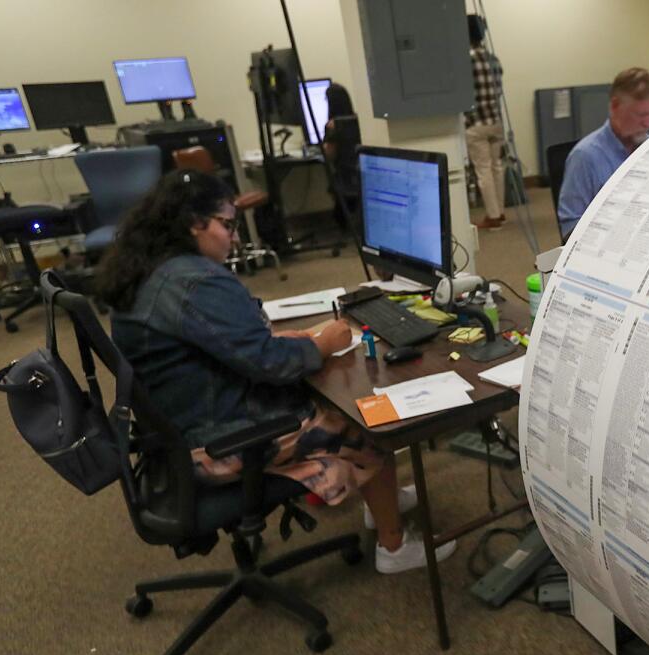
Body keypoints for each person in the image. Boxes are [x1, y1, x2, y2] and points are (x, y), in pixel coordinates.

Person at [95, 169, 456, 573]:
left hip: (175, 433)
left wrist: (290, 340)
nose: (234, 238)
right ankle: (394, 547)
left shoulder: (152, 267)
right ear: (192, 223)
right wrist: (322, 343)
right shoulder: (194, 282)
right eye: (227, 225)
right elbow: (271, 364)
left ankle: (379, 501)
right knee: (367, 417)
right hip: (216, 444)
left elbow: (223, 341)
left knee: (340, 397)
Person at [557, 68, 649, 240]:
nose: (647, 123)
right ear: (615, 106)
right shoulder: (585, 157)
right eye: (640, 115)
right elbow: (570, 228)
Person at [464, 14, 507, 231]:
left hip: (476, 123)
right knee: (497, 167)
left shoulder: (465, 60)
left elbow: (463, 97)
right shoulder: (493, 59)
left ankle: (492, 217)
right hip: (496, 121)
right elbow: (498, 92)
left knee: (483, 170)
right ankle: (500, 211)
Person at [320, 83, 361, 234]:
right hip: (360, 176)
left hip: (345, 180)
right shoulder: (359, 121)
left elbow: (329, 154)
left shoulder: (333, 126)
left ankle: (344, 225)